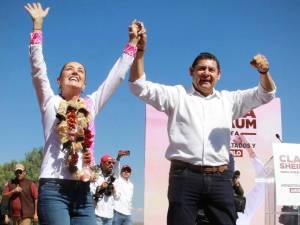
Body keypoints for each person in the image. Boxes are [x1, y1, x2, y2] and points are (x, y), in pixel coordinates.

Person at [129, 25, 276, 225]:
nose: (206, 73)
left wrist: (264, 72)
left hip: (220, 179)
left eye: (211, 69)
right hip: (184, 176)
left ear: (219, 75)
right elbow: (138, 86)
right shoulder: (177, 96)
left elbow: (266, 94)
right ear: (191, 72)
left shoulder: (229, 100)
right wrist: (139, 52)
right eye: (201, 68)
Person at [24, 2, 141, 225]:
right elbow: (38, 70)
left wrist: (133, 43)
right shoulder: (51, 101)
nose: (75, 72)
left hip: (83, 190)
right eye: (69, 69)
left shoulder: (91, 104)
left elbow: (115, 77)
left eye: (80, 71)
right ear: (59, 80)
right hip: (53, 187)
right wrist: (37, 27)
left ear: (85, 83)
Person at [90, 155, 119, 225]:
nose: (111, 165)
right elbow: (90, 193)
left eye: (113, 163)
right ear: (102, 163)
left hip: (109, 216)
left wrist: (114, 191)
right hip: (97, 214)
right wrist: (101, 188)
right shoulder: (95, 176)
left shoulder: (113, 179)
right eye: (109, 162)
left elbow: (117, 197)